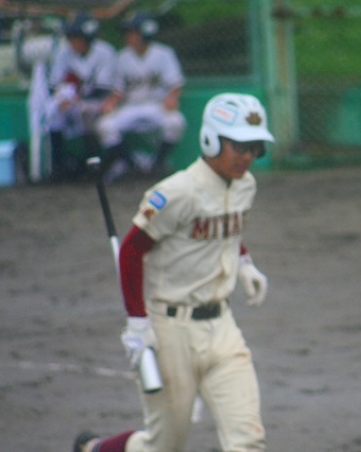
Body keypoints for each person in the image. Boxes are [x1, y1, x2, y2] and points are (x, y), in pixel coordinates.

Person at [73, 93, 274, 452]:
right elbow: (132, 251)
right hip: (170, 332)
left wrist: (243, 262)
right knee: (163, 446)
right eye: (240, 146)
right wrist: (138, 323)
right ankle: (96, 449)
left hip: (223, 329)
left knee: (249, 441)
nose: (247, 156)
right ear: (211, 140)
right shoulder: (177, 192)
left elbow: (226, 229)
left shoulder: (246, 186)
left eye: (255, 147)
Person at [97, 10, 186, 181]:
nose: (128, 36)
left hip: (156, 105)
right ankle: (131, 166)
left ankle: (157, 164)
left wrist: (172, 98)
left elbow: (175, 84)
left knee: (176, 122)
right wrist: (110, 103)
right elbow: (118, 90)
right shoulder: (122, 57)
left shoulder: (163, 53)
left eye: (133, 32)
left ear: (146, 33)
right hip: (130, 107)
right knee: (105, 126)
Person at [46, 11, 116, 181]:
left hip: (98, 102)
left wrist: (77, 97)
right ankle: (58, 166)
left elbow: (102, 88)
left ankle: (91, 165)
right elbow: (54, 83)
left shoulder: (105, 52)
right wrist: (63, 98)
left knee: (84, 112)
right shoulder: (64, 52)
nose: (72, 41)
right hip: (70, 101)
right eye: (70, 36)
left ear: (87, 37)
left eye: (76, 36)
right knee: (53, 113)